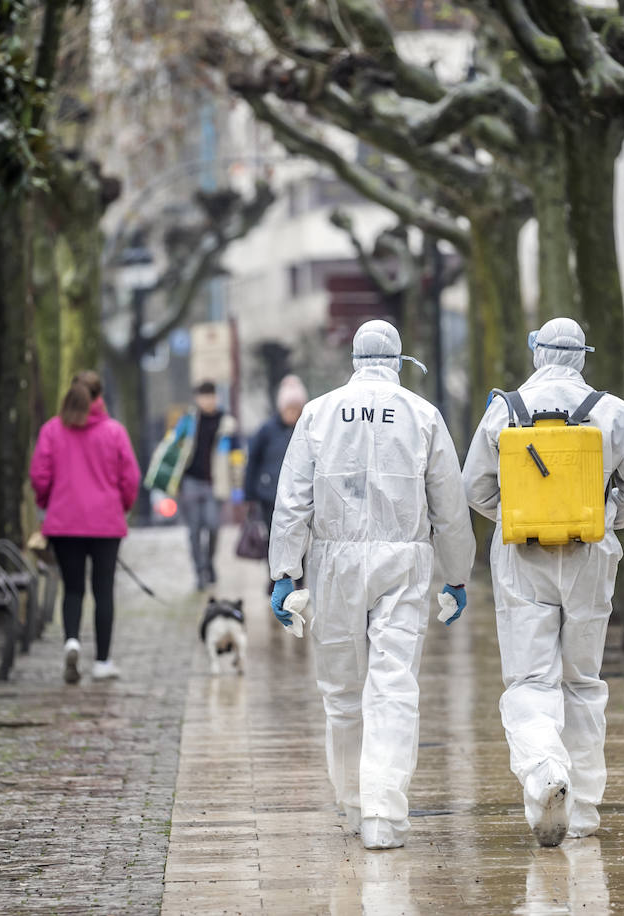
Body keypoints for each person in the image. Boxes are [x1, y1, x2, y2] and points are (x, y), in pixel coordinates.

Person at [268, 319, 476, 850]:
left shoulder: (318, 413)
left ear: (355, 359)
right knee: (393, 684)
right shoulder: (422, 414)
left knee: (341, 690)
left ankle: (352, 801)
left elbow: (292, 501)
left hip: (333, 561)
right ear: (398, 359)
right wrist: (456, 574)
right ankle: (384, 808)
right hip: (403, 559)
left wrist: (285, 571)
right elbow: (449, 506)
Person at [462, 317, 624, 846]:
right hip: (590, 557)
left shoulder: (504, 410)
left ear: (536, 353)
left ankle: (545, 770)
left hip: (522, 557)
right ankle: (586, 810)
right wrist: (601, 514)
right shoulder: (615, 412)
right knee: (582, 682)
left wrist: (517, 515)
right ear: (582, 356)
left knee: (531, 680)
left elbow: (474, 488)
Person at [29, 371, 141, 684]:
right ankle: (103, 661)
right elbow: (130, 478)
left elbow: (39, 476)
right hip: (106, 524)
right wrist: (123, 507)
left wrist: (47, 502)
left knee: (73, 588)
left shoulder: (52, 430)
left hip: (64, 524)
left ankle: (72, 642)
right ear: (99, 396)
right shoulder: (114, 432)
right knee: (103, 590)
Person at [174, 381, 239, 591]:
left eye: (211, 396)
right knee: (194, 530)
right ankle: (200, 571)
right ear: (197, 398)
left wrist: (237, 485)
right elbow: (174, 447)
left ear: (216, 397)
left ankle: (209, 562)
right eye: (203, 397)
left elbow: (236, 456)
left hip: (215, 484)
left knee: (213, 526)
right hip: (190, 482)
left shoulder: (227, 423)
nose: (207, 401)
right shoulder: (188, 421)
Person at [244, 374, 308, 531]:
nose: (293, 413)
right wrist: (249, 494)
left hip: (300, 496)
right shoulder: (267, 430)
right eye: (289, 409)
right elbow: (253, 460)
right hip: (270, 493)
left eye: (296, 409)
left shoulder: (308, 429)